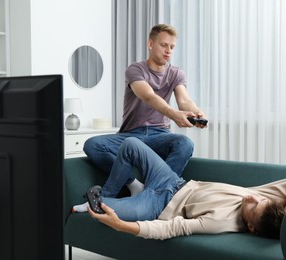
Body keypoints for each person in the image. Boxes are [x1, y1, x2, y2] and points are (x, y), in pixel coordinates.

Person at [74, 137, 286, 240]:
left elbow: (172, 228)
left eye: (253, 207)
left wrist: (122, 226)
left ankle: (106, 201)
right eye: (258, 199)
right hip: (173, 182)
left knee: (99, 211)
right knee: (131, 145)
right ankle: (117, 192)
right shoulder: (267, 201)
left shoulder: (221, 223)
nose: (251, 197)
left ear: (251, 227)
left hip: (158, 207)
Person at [83, 24, 207, 196]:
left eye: (172, 47)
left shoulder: (176, 74)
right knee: (93, 145)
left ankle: (155, 193)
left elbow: (185, 101)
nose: (168, 51)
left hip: (160, 135)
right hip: (131, 135)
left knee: (185, 144)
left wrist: (197, 113)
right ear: (150, 44)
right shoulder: (135, 70)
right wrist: (174, 115)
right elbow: (148, 96)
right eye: (164, 45)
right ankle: (134, 184)